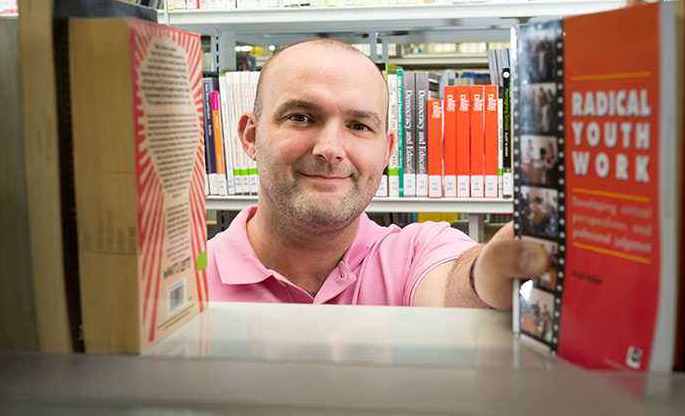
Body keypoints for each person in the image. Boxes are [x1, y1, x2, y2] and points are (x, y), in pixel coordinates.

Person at [205, 38, 550, 308]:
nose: (330, 148)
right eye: (301, 117)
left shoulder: (416, 253)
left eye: (359, 125)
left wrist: (490, 271)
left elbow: (454, 283)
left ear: (387, 151)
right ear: (250, 136)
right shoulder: (190, 283)